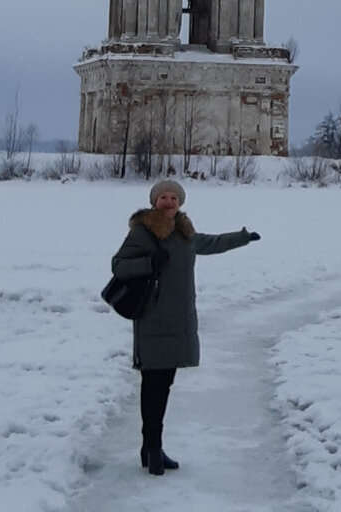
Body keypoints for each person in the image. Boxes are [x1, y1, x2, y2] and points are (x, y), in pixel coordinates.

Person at [111, 178, 261, 475]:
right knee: (152, 386)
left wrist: (242, 237)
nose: (168, 203)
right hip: (153, 319)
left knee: (163, 386)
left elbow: (212, 243)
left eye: (174, 199)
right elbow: (119, 265)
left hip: (179, 321)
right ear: (155, 201)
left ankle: (151, 448)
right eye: (163, 197)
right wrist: (150, 262)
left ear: (180, 204)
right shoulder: (143, 232)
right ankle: (152, 449)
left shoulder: (185, 233)